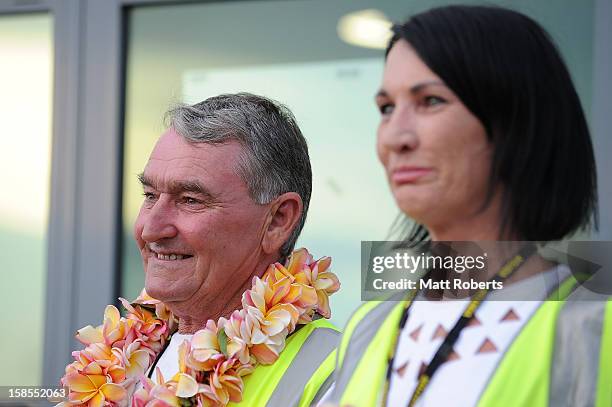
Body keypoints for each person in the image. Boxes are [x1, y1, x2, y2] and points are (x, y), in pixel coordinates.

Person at [325, 5, 611, 407]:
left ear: (515, 123)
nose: (394, 137)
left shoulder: (594, 331)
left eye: (431, 101)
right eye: (386, 108)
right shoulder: (368, 327)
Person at [61, 93, 339, 406]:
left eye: (190, 200)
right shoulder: (119, 359)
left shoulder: (335, 372)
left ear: (277, 220)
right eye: (150, 194)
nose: (150, 228)